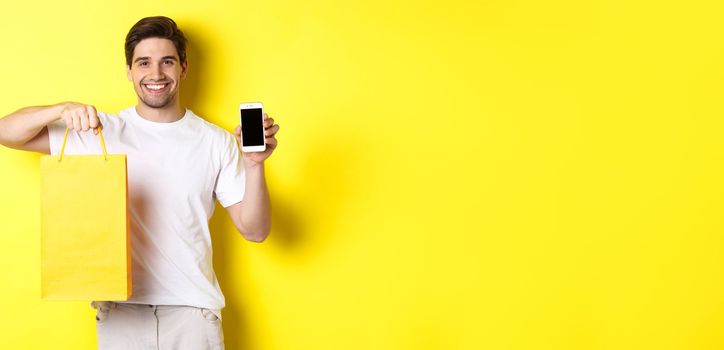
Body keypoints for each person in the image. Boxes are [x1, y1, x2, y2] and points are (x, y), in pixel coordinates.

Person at [0, 16, 279, 349]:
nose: (156, 74)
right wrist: (60, 109)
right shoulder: (98, 131)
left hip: (192, 315)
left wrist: (253, 164)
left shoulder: (215, 141)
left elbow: (255, 230)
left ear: (184, 69)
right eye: (144, 63)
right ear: (129, 71)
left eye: (167, 62)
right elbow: (6, 132)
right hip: (120, 314)